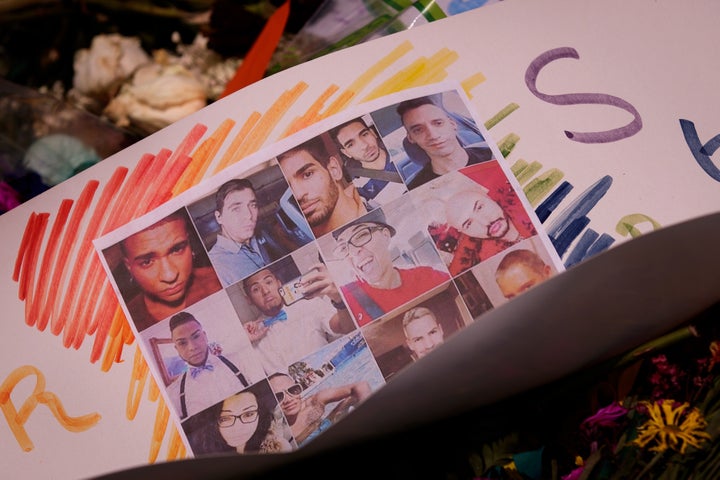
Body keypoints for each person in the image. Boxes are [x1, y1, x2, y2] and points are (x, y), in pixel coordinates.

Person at [332, 208, 450, 326]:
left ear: (386, 235)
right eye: (343, 247)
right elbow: (338, 326)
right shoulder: (343, 297)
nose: (353, 252)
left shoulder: (427, 277)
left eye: (361, 235)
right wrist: (338, 302)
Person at [242, 265, 356, 374]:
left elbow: (345, 327)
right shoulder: (251, 337)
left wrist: (338, 300)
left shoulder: (310, 305)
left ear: (279, 283)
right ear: (249, 300)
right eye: (256, 289)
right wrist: (245, 341)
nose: (265, 291)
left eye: (268, 282)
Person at [120, 210, 222, 331]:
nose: (170, 276)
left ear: (190, 245)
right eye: (147, 262)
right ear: (128, 266)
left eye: (177, 250)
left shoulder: (220, 277)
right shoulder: (124, 322)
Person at [165, 311, 264, 419]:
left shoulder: (239, 361)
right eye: (182, 343)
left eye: (196, 336)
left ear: (205, 336)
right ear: (177, 349)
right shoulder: (173, 395)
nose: (192, 347)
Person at [277, 135, 367, 237]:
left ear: (334, 170)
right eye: (290, 186)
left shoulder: (374, 199)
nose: (298, 195)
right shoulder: (308, 237)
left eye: (308, 174)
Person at [396, 96, 493, 189]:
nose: (433, 135)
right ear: (411, 138)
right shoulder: (415, 191)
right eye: (418, 130)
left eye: (438, 123)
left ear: (452, 124)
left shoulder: (493, 155)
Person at [208, 178, 288, 287]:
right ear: (219, 217)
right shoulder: (216, 266)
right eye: (236, 209)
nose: (249, 215)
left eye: (253, 205)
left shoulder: (258, 239)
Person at [443, 185, 536, 275]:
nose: (485, 222)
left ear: (488, 197)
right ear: (464, 233)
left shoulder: (530, 203)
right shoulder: (491, 266)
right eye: (469, 224)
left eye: (479, 207)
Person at [268, 372, 371, 445]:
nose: (288, 400)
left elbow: (361, 386)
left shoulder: (314, 402)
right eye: (279, 396)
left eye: (293, 390)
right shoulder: (275, 430)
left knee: (352, 398)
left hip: (328, 426)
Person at [187, 388, 292, 455]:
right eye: (224, 418)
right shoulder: (202, 455)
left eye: (249, 414)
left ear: (260, 415)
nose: (238, 428)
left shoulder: (278, 447)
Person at [329, 118, 406, 208]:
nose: (364, 145)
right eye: (351, 145)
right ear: (346, 153)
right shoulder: (359, 188)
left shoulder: (401, 147)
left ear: (373, 133)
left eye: (364, 134)